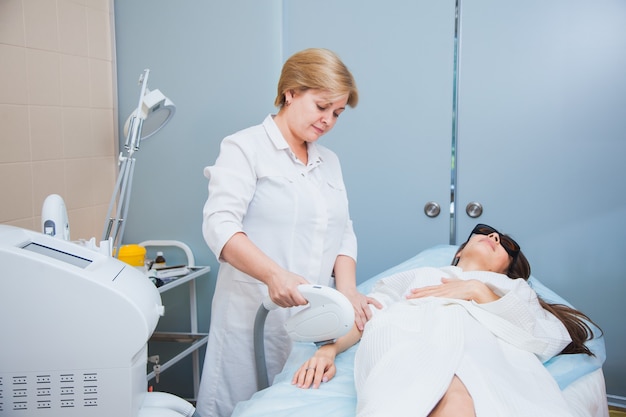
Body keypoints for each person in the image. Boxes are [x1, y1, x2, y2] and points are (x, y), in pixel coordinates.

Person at [196, 48, 380, 417]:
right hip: (252, 313)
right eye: (322, 106)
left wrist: (348, 290)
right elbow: (220, 224)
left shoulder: (329, 162)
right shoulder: (245, 148)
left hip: (313, 315)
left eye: (337, 113)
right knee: (237, 407)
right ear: (290, 93)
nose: (328, 120)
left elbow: (343, 229)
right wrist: (273, 275)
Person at [292, 224, 598, 417]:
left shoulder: (512, 290)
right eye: (486, 231)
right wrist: (329, 349)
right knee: (436, 396)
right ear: (460, 251)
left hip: (481, 350)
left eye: (506, 244)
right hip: (409, 340)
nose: (494, 237)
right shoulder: (420, 276)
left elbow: (546, 338)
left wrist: (478, 291)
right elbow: (369, 314)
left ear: (507, 269)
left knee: (459, 397)